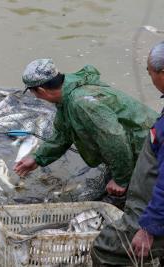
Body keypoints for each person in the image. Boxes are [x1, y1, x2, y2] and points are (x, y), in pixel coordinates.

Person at [14, 59, 158, 204]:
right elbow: (63, 134)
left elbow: (115, 140)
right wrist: (38, 158)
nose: (36, 97)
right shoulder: (68, 91)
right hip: (139, 140)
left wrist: (121, 180)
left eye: (33, 92)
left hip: (151, 148)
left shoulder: (81, 103)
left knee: (141, 202)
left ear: (41, 90)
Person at [91, 42, 164, 266]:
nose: (149, 78)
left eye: (149, 72)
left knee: (104, 249)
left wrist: (149, 228)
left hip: (154, 213)